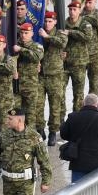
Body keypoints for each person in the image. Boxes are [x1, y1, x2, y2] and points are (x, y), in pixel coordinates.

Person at [59, 93, 98, 182]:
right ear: (97, 105)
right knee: (97, 189)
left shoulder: (73, 117)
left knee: (77, 191)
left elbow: (63, 134)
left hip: (78, 162)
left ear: (84, 103)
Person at [37, 11, 68, 147]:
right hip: (41, 75)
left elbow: (62, 43)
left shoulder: (59, 33)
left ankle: (52, 132)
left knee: (55, 105)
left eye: (50, 21)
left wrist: (47, 37)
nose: (47, 24)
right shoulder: (39, 34)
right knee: (38, 104)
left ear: (55, 22)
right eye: (46, 21)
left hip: (55, 75)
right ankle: (40, 129)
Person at [12, 22, 44, 137]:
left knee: (30, 114)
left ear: (32, 34)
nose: (23, 35)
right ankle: (16, 137)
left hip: (30, 86)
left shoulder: (37, 46)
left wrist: (21, 50)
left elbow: (36, 56)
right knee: (15, 113)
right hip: (16, 86)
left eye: (26, 33)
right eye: (21, 32)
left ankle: (30, 138)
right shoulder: (14, 45)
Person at [63, 0, 93, 115]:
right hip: (65, 63)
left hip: (79, 64)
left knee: (78, 94)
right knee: (60, 93)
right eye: (70, 9)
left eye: (74, 9)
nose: (72, 12)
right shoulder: (64, 23)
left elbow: (87, 37)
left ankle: (77, 117)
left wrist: (70, 32)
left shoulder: (85, 24)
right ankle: (61, 120)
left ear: (79, 11)